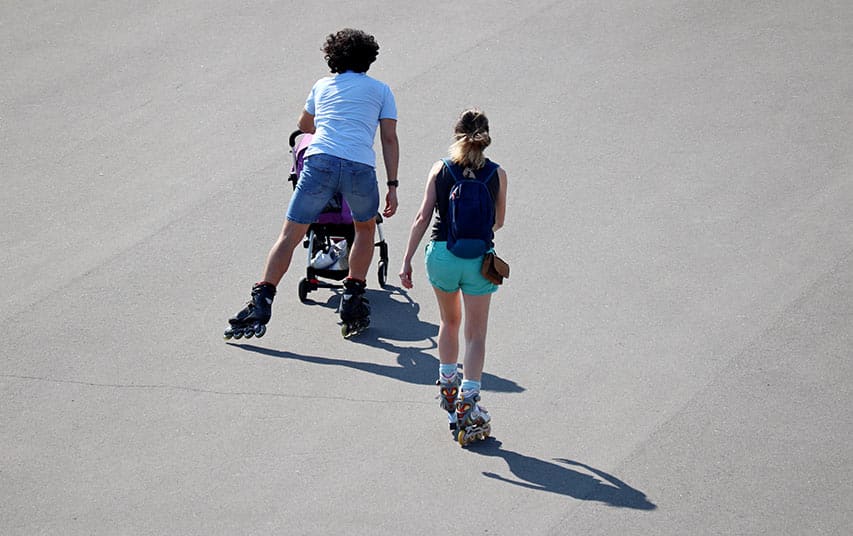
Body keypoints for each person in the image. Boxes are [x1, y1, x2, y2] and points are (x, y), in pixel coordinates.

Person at [225, 28, 399, 339]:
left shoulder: (322, 85)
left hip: (320, 162)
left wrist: (331, 123)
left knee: (290, 235)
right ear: (368, 59)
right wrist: (392, 185)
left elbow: (304, 126)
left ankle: (262, 299)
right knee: (364, 228)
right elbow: (388, 138)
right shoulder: (382, 90)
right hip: (360, 166)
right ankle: (352, 298)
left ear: (333, 57)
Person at [398, 108, 508, 435]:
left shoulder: (440, 169)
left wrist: (406, 260)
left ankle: (448, 385)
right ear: (486, 139)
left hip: (441, 255)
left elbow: (421, 218)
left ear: (456, 133)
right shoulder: (498, 174)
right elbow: (498, 222)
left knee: (449, 322)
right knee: (475, 334)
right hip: (478, 259)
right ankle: (469, 400)